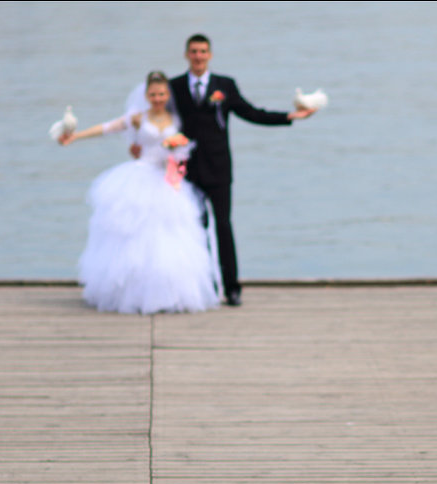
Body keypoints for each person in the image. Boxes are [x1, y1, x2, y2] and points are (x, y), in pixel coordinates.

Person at [130, 34, 316, 307]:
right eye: (193, 51)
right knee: (194, 228)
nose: (198, 56)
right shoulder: (175, 87)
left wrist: (289, 116)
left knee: (224, 227)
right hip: (185, 169)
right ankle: (204, 286)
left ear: (210, 55)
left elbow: (251, 113)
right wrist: (138, 145)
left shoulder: (224, 86)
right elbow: (156, 119)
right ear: (186, 55)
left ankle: (232, 288)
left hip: (219, 169)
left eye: (203, 51)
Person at [60, 71, 221, 315]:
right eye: (153, 94)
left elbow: (186, 146)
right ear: (146, 95)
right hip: (140, 176)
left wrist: (178, 155)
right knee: (134, 236)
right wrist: (75, 136)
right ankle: (131, 293)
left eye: (162, 94)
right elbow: (108, 127)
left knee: (170, 236)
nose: (158, 98)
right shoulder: (137, 118)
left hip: (167, 179)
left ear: (168, 95)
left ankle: (171, 293)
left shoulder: (176, 119)